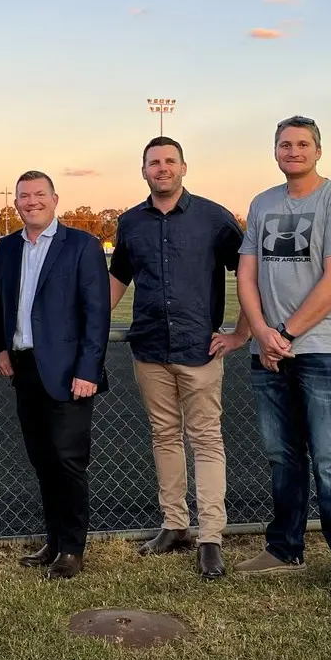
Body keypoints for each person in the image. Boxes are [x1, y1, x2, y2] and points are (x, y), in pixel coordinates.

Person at [234, 115, 331, 608]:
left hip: (323, 350)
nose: (293, 151)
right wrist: (262, 333)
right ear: (275, 150)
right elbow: (246, 276)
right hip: (269, 351)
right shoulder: (262, 203)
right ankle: (284, 548)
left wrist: (286, 333)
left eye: (302, 144)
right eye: (285, 144)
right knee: (282, 457)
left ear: (318, 150)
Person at [108, 136, 249, 580]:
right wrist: (85, 328)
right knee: (164, 436)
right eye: (154, 162)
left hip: (198, 350)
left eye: (170, 161)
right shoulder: (131, 222)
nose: (162, 168)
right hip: (150, 347)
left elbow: (250, 272)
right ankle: (174, 525)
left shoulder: (215, 219)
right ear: (143, 170)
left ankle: (211, 536)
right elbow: (118, 280)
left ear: (184, 167)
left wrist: (241, 332)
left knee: (206, 440)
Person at [0, 171, 110, 579]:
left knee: (68, 461)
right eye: (24, 196)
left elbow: (97, 312)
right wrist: (1, 348)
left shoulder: (82, 245)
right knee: (42, 460)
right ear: (16, 203)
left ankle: (72, 548)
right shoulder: (7, 247)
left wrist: (88, 369)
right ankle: (55, 540)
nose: (32, 201)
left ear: (55, 199)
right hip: (25, 369)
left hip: (69, 372)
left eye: (39, 194)